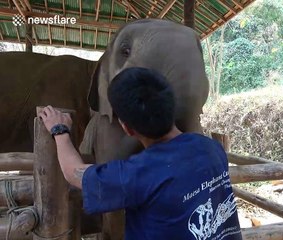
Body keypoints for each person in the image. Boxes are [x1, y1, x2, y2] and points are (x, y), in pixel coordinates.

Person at [39, 67, 242, 240]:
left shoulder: (138, 174)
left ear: (126, 128)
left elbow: (73, 172)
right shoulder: (212, 148)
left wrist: (59, 130)